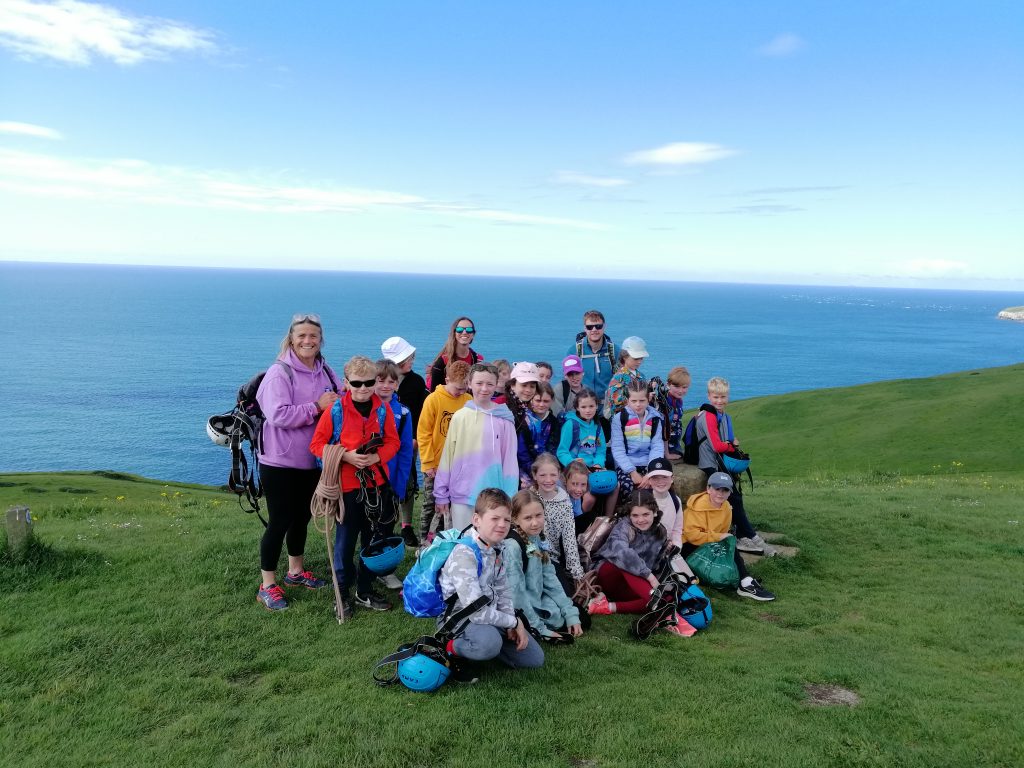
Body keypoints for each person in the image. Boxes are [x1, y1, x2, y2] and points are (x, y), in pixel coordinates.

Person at [254, 313, 340, 611]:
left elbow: (339, 400)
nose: (307, 341)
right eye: (301, 336)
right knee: (279, 521)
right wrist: (316, 407)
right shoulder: (279, 373)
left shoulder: (325, 370)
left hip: (312, 460)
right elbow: (277, 415)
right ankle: (267, 586)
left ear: (320, 340)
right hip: (279, 461)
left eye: (313, 336)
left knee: (302, 516)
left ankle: (295, 571)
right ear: (291, 339)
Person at [309, 355, 401, 618]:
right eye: (357, 383)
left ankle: (364, 589)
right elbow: (316, 445)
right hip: (347, 488)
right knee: (345, 542)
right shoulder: (335, 412)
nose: (363, 389)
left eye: (369, 383)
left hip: (376, 485)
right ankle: (343, 593)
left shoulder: (382, 411)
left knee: (371, 540)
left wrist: (377, 457)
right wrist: (346, 456)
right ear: (346, 382)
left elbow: (393, 442)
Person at [439, 488, 544, 680]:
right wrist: (514, 622)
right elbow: (476, 612)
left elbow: (503, 590)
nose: (502, 525)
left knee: (534, 659)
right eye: (495, 519)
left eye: (506, 520)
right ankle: (450, 646)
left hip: (490, 615)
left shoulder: (496, 547)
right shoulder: (465, 553)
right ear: (477, 520)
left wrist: (511, 620)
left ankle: (491, 643)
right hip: (460, 619)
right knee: (489, 643)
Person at [588, 489, 695, 637]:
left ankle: (607, 607)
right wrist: (650, 577)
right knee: (627, 563)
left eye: (646, 514)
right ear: (629, 514)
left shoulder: (660, 532)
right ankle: (665, 614)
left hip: (633, 583)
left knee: (667, 596)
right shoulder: (623, 526)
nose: (640, 520)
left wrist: (665, 550)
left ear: (655, 512)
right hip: (608, 574)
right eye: (635, 515)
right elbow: (623, 554)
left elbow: (656, 566)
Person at [434, 364, 519, 531]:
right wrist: (441, 494)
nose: (484, 389)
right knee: (464, 543)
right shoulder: (460, 417)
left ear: (496, 385)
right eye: (479, 383)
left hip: (494, 496)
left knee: (491, 544)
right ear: (469, 384)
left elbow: (509, 461)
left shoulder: (505, 420)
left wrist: (510, 496)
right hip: (462, 494)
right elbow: (448, 456)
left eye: (489, 384)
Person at [693, 376, 769, 555]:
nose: (720, 401)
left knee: (736, 496)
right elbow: (718, 446)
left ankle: (743, 535)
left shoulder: (725, 417)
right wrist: (731, 444)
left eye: (723, 397)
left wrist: (731, 444)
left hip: (721, 462)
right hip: (710, 462)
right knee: (733, 497)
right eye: (716, 397)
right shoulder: (709, 416)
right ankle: (751, 536)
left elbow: (730, 441)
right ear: (709, 396)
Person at [683, 472, 776, 601]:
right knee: (727, 544)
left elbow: (724, 531)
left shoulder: (726, 506)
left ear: (730, 492)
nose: (720, 493)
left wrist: (722, 538)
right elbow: (692, 535)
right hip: (689, 545)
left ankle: (745, 581)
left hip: (710, 542)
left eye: (725, 490)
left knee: (731, 546)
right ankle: (742, 582)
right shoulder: (696, 507)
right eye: (717, 489)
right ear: (708, 489)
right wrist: (719, 537)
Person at [504, 489, 583, 640]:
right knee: (560, 621)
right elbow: (516, 593)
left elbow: (549, 578)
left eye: (538, 515)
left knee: (577, 617)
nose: (535, 522)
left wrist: (570, 612)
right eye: (528, 518)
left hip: (536, 600)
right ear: (515, 519)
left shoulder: (537, 537)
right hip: (518, 606)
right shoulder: (512, 546)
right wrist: (539, 628)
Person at [416, 360, 471, 543]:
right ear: (447, 379)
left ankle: (449, 539)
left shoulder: (468, 401)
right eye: (458, 389)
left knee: (455, 505)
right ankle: (425, 541)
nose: (461, 392)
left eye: (465, 388)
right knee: (431, 504)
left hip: (459, 465)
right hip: (436, 464)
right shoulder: (433, 399)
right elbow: (423, 433)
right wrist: (428, 462)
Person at [381, 336, 429, 546]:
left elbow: (421, 412)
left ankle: (406, 526)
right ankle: (385, 522)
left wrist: (416, 439)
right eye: (410, 358)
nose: (413, 361)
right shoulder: (380, 378)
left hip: (409, 442)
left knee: (408, 480)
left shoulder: (416, 381)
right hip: (383, 444)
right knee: (384, 481)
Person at [373, 358, 415, 589]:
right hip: (365, 482)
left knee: (386, 527)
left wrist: (399, 485)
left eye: (392, 381)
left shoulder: (404, 413)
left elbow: (407, 451)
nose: (386, 385)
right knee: (361, 527)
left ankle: (385, 570)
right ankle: (353, 569)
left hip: (391, 482)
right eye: (380, 380)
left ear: (398, 384)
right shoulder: (364, 409)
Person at [532, 452, 584, 590]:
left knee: (564, 592)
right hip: (530, 557)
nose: (548, 480)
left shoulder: (565, 502)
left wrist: (577, 573)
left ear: (559, 475)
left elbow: (569, 539)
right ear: (534, 475)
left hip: (551, 559)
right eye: (542, 475)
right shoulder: (528, 498)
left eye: (553, 475)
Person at [610, 378, 665, 505]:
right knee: (627, 487)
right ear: (627, 400)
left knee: (659, 485)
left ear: (648, 399)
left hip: (649, 463)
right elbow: (617, 449)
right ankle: (628, 517)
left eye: (642, 400)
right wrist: (632, 472)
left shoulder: (655, 418)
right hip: (626, 465)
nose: (638, 404)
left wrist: (651, 471)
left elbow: (657, 446)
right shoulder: (619, 419)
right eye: (633, 401)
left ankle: (654, 517)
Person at [503, 361, 540, 486]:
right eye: (524, 385)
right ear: (512, 385)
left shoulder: (520, 407)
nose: (529, 390)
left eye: (532, 386)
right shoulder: (503, 408)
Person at [567, 309, 616, 404]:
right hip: (582, 408)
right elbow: (568, 380)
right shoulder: (574, 351)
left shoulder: (614, 351)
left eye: (598, 326)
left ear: (604, 326)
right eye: (589, 327)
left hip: (607, 409)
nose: (594, 330)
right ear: (585, 328)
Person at [516, 381, 561, 486]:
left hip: (548, 468)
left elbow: (553, 448)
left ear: (551, 401)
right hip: (526, 470)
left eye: (546, 401)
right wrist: (534, 472)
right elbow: (522, 453)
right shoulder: (523, 421)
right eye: (538, 400)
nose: (541, 404)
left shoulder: (554, 422)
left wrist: (546, 471)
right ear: (531, 399)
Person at [427, 317, 483, 391]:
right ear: (454, 333)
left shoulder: (478, 360)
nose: (464, 332)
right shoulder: (442, 362)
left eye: (469, 330)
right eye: (460, 330)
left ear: (473, 334)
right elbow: (434, 393)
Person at [604, 336, 649, 419]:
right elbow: (615, 404)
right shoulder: (618, 377)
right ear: (624, 357)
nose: (639, 361)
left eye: (641, 358)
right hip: (624, 421)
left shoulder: (641, 375)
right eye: (636, 358)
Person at [563, 459, 598, 534]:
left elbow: (579, 515)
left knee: (591, 517)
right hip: (561, 531)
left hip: (570, 525)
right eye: (574, 484)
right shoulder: (561, 497)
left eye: (583, 484)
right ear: (565, 481)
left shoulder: (576, 497)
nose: (579, 490)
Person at [664, 366, 691, 460]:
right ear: (668, 384)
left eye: (684, 387)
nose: (680, 391)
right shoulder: (666, 402)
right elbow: (664, 429)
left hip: (674, 443)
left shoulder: (677, 400)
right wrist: (667, 454)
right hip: (665, 447)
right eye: (676, 386)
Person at [551, 354, 585, 418]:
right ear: (565, 376)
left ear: (583, 372)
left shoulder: (587, 390)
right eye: (570, 374)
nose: (574, 377)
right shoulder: (559, 389)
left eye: (577, 373)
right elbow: (557, 414)